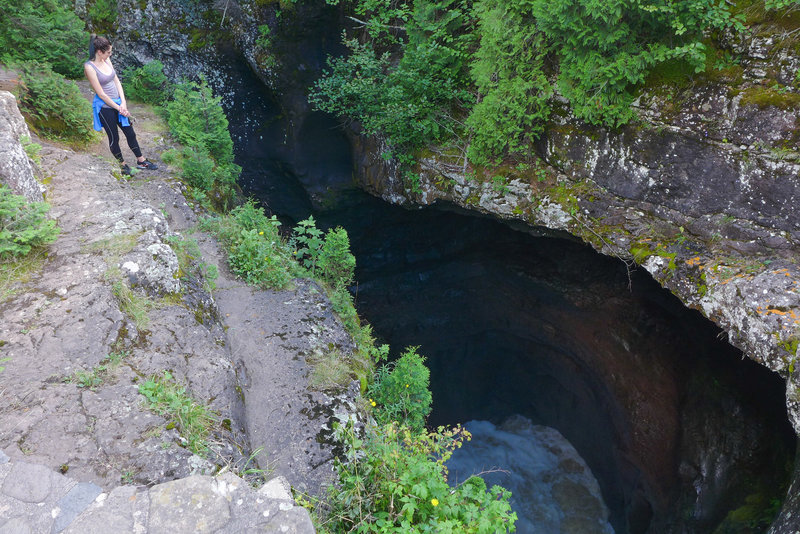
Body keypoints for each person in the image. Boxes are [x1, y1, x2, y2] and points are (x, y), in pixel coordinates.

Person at [84, 35, 157, 176]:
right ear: (99, 51)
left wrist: (123, 102)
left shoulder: (106, 59)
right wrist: (119, 108)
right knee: (114, 138)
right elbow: (101, 94)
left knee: (130, 132)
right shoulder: (90, 67)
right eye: (108, 52)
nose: (110, 54)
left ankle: (141, 160)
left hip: (118, 103)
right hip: (105, 108)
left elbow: (116, 80)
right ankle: (123, 165)